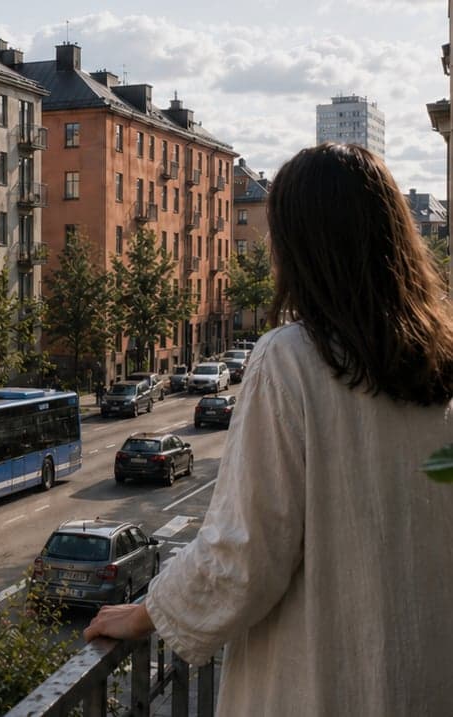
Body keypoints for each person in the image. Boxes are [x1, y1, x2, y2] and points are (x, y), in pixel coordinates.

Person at [83, 143, 453, 715]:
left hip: (327, 683)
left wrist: (148, 612)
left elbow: (245, 552)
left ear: (301, 247)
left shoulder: (293, 358)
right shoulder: (438, 359)